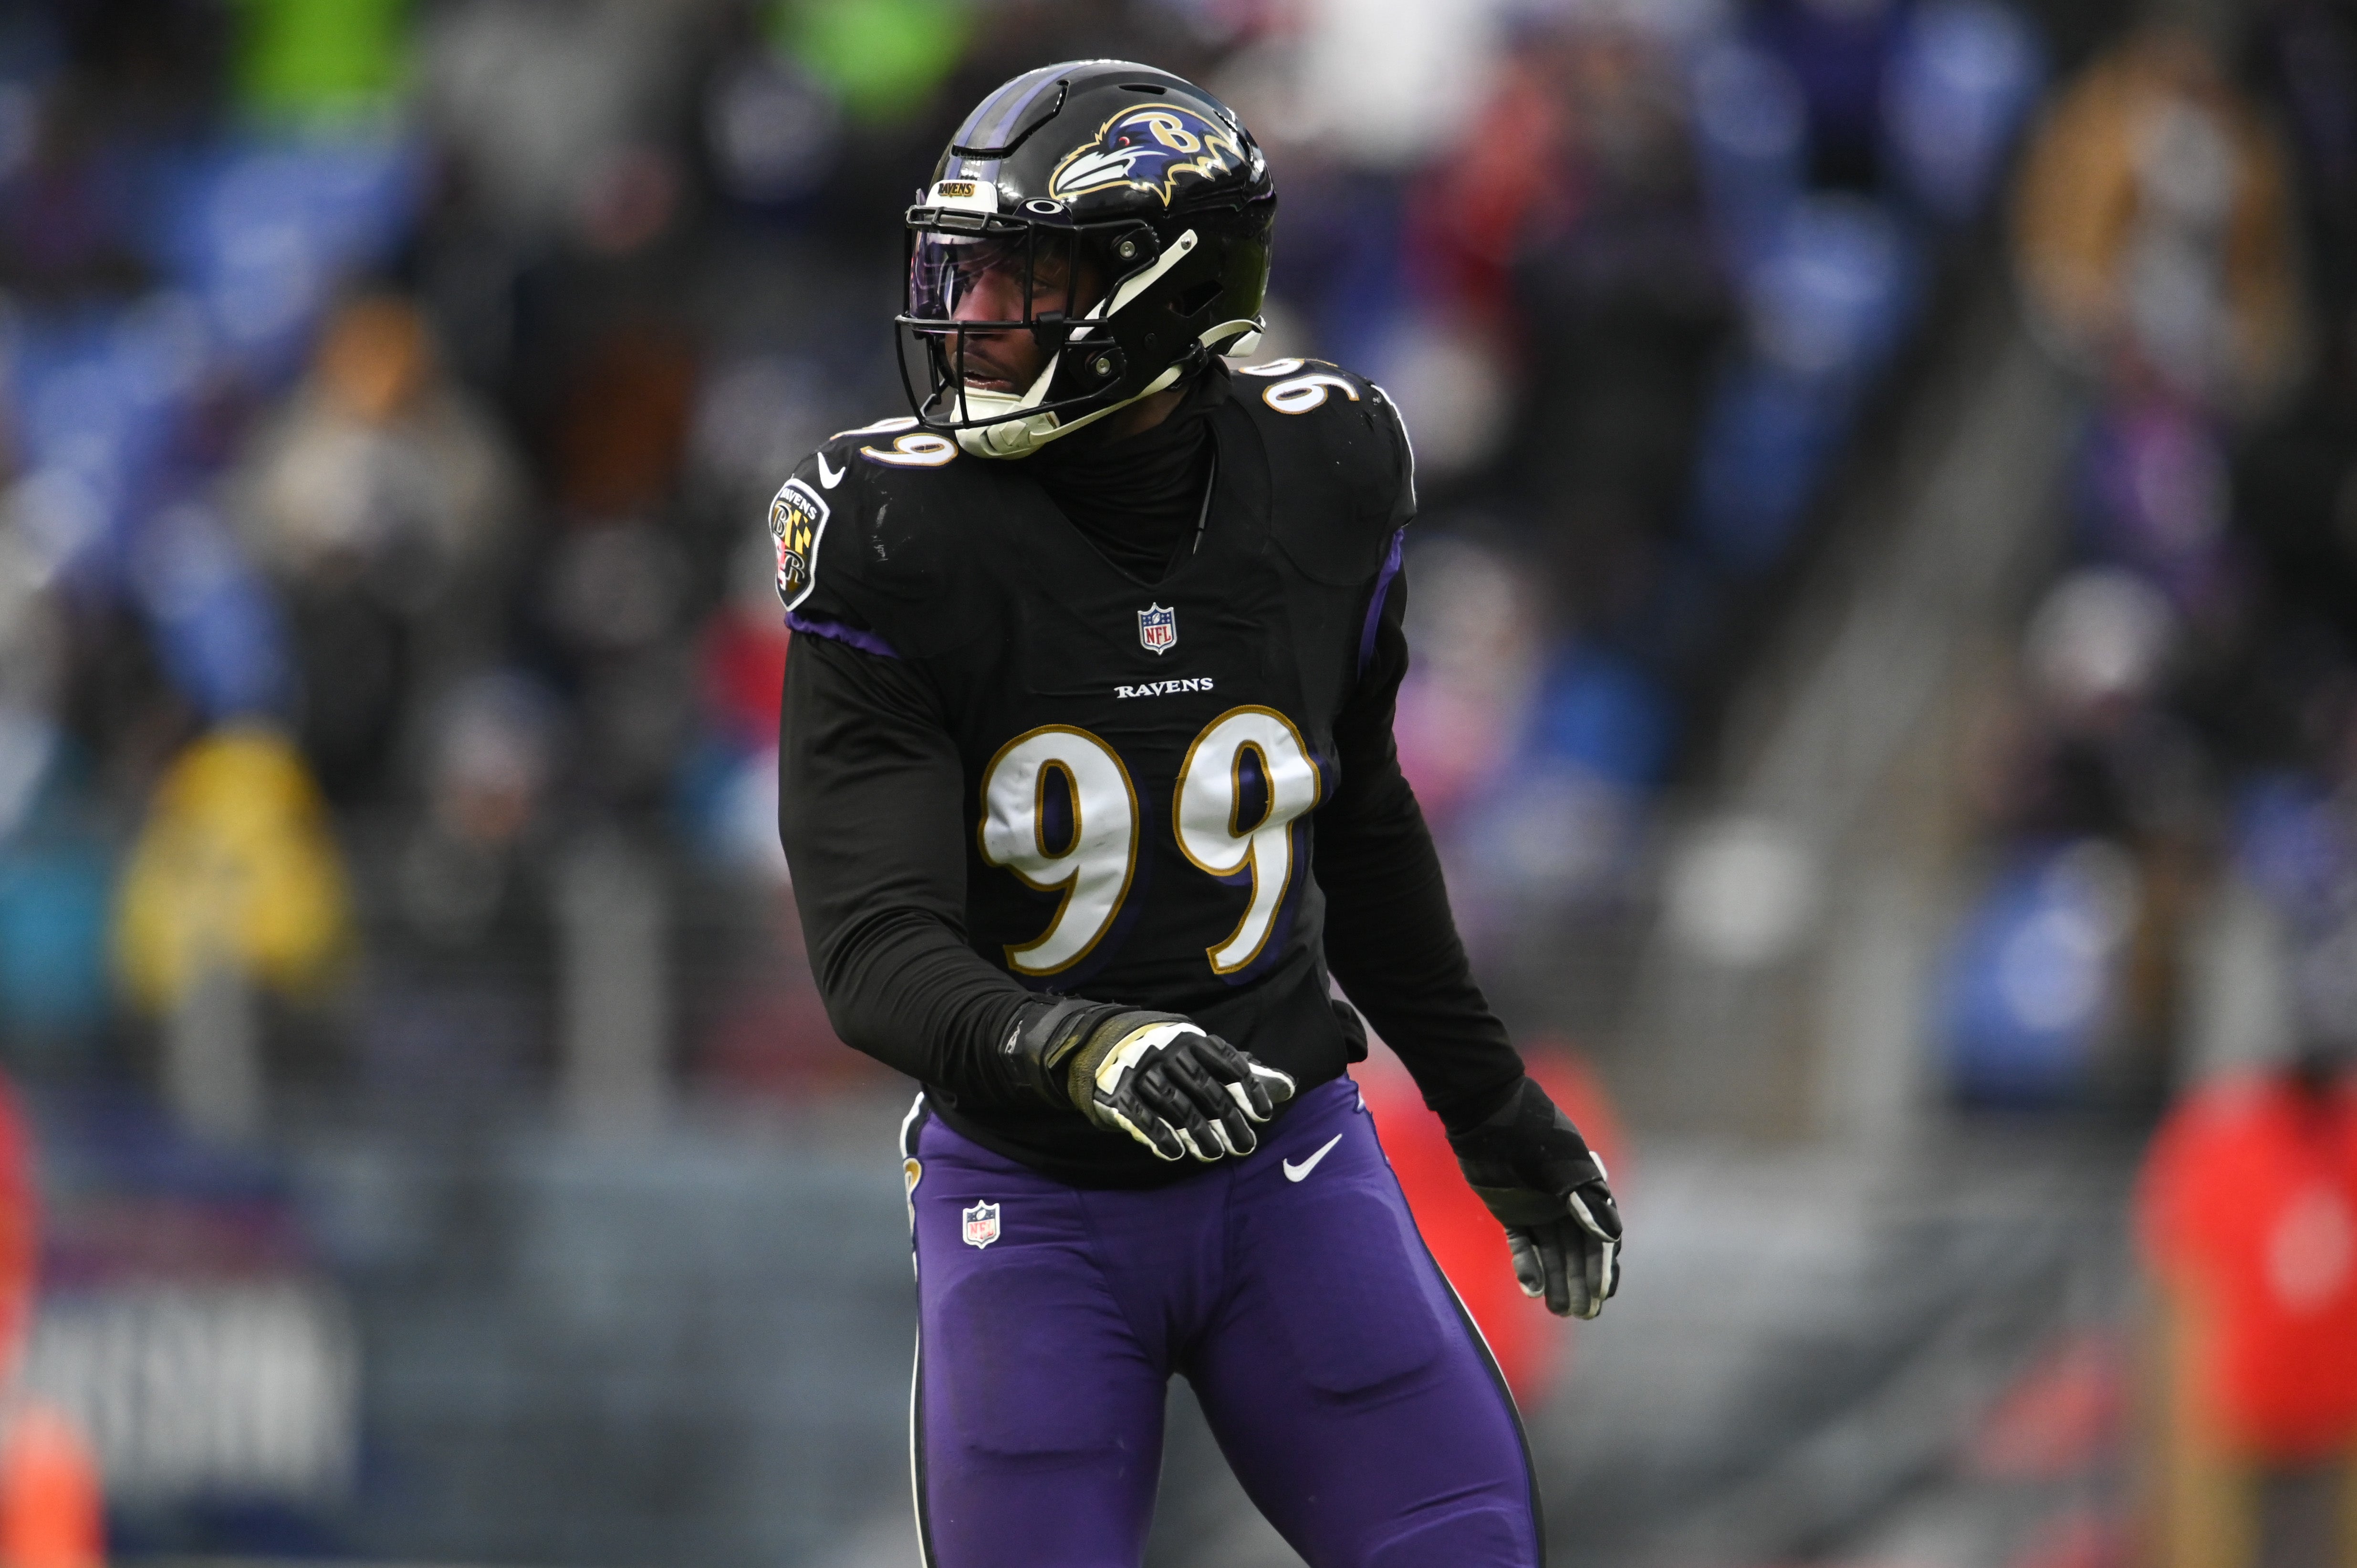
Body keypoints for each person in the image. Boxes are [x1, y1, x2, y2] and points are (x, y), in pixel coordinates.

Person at [774, 61, 1623, 1568]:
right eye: (961, 278)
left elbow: (1356, 823)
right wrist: (1076, 1042)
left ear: (1165, 292)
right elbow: (874, 950)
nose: (971, 324)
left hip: (1284, 1161)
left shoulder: (1326, 468)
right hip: (1029, 1195)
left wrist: (1489, 1111)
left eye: (1023, 277)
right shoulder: (892, 536)